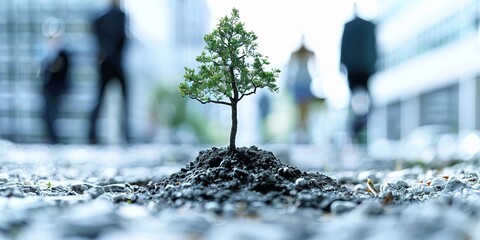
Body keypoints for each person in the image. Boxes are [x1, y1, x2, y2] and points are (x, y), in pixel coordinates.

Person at [89, 0, 131, 144]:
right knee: (125, 99)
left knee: (99, 98)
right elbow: (124, 38)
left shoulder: (98, 18)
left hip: (105, 62)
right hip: (116, 63)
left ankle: (91, 134)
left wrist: (103, 54)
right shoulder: (121, 15)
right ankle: (126, 134)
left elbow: (97, 41)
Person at [340, 3, 377, 144]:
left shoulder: (352, 26)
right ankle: (353, 133)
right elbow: (373, 47)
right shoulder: (369, 26)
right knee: (363, 105)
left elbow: (343, 47)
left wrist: (342, 65)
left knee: (359, 104)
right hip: (363, 69)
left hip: (357, 69)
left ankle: (353, 132)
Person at [40, 17, 70, 144]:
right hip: (48, 87)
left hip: (57, 88)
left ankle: (54, 140)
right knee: (47, 114)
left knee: (53, 114)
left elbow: (60, 69)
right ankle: (51, 139)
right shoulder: (45, 52)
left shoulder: (63, 53)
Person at [287, 36, 318, 143]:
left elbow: (289, 68)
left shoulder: (298, 53)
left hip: (301, 80)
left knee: (303, 110)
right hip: (304, 80)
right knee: (303, 110)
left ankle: (303, 133)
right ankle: (301, 133)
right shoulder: (305, 53)